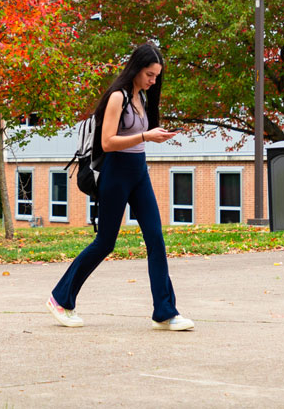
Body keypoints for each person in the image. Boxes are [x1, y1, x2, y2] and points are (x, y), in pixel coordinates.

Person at [46, 43, 194, 331]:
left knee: (155, 238)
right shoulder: (118, 97)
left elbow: (140, 135)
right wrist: (146, 137)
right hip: (116, 173)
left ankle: (165, 312)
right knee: (105, 242)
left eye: (156, 76)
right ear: (137, 69)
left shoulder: (142, 97)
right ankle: (60, 298)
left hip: (139, 171)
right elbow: (107, 142)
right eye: (150, 75)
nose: (153, 81)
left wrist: (153, 136)